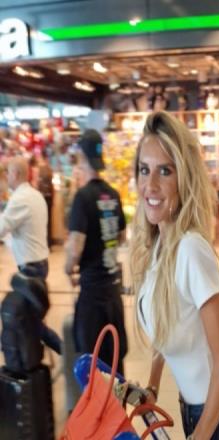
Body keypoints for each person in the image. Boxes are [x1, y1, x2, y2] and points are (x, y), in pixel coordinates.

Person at [130, 111, 219, 440]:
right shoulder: (160, 245)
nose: (151, 186)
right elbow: (163, 319)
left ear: (184, 178)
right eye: (144, 170)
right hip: (195, 411)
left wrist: (199, 436)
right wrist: (153, 385)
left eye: (165, 171)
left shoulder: (191, 250)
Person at [64, 129, 128, 374]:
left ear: (82, 156)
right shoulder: (113, 194)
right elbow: (121, 236)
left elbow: (76, 245)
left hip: (91, 298)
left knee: (93, 368)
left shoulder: (82, 198)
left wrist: (68, 268)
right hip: (113, 293)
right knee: (115, 365)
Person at [0, 156, 60, 353]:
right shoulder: (34, 195)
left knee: (29, 320)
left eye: (8, 172)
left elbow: (2, 228)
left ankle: (65, 350)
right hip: (39, 263)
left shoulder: (20, 199)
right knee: (28, 318)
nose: (6, 176)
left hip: (30, 269)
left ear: (16, 174)